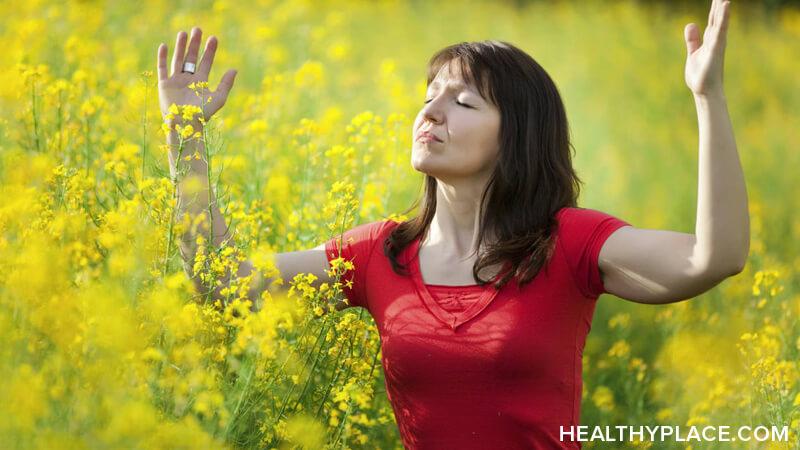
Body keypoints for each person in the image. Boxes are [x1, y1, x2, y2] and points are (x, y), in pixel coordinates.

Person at [156, 1, 748, 446]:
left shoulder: (566, 242)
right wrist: (185, 136)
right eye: (430, 94)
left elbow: (711, 258)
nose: (431, 112)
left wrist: (707, 97)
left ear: (516, 138)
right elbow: (223, 282)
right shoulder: (380, 253)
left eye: (464, 102)